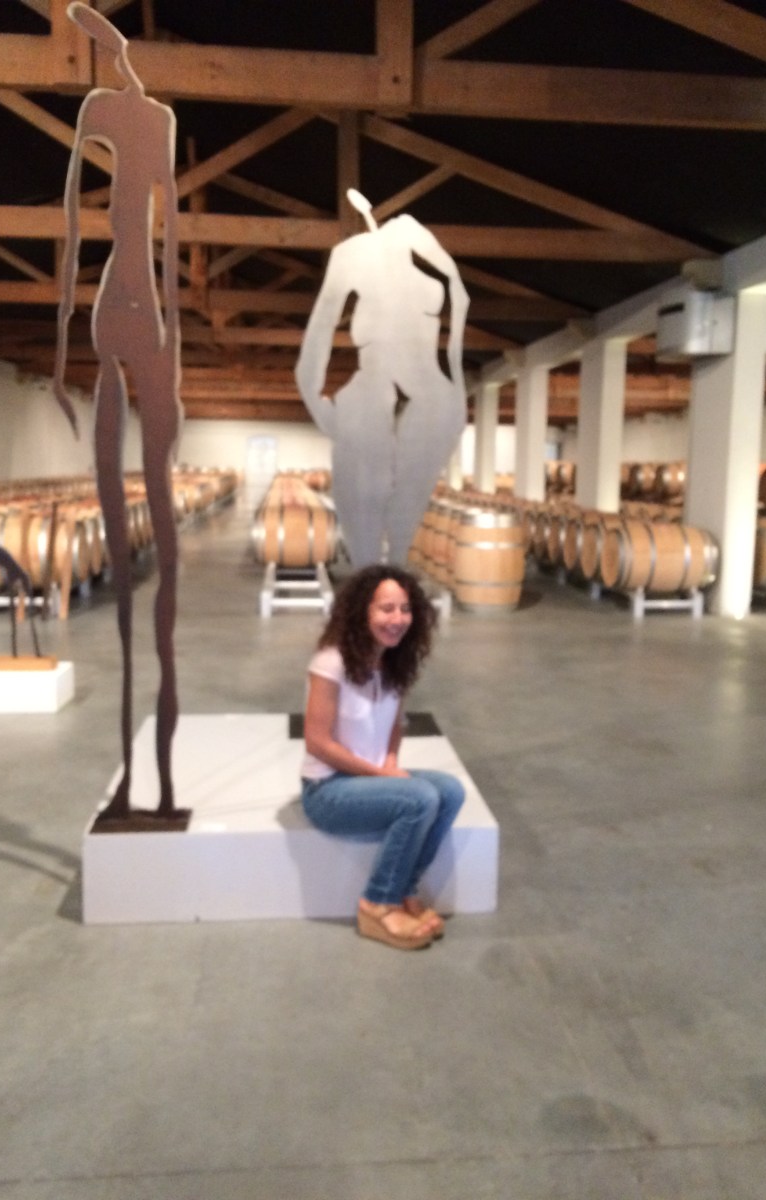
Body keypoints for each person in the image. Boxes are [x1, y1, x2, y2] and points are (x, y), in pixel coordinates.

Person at [53, 4, 184, 825]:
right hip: (139, 318)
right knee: (152, 534)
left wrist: (61, 355)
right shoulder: (138, 117)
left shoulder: (109, 112)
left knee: (150, 534)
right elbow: (148, 247)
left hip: (118, 312)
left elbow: (79, 233)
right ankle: (149, 781)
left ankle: (155, 781)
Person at [295, 190, 468, 567]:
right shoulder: (352, 256)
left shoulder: (425, 259)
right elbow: (321, 327)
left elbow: (460, 301)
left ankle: (396, 578)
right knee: (364, 512)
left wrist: (457, 393)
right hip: (372, 388)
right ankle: (368, 580)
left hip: (431, 394)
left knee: (408, 511)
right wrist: (314, 398)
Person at [301, 564, 465, 950]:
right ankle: (378, 903)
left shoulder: (394, 660)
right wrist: (381, 776)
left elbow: (394, 724)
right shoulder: (330, 662)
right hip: (328, 790)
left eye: (405, 609)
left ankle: (404, 889)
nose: (398, 619)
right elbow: (317, 743)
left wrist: (390, 763)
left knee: (450, 791)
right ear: (362, 612)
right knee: (419, 797)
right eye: (386, 609)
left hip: (369, 778)